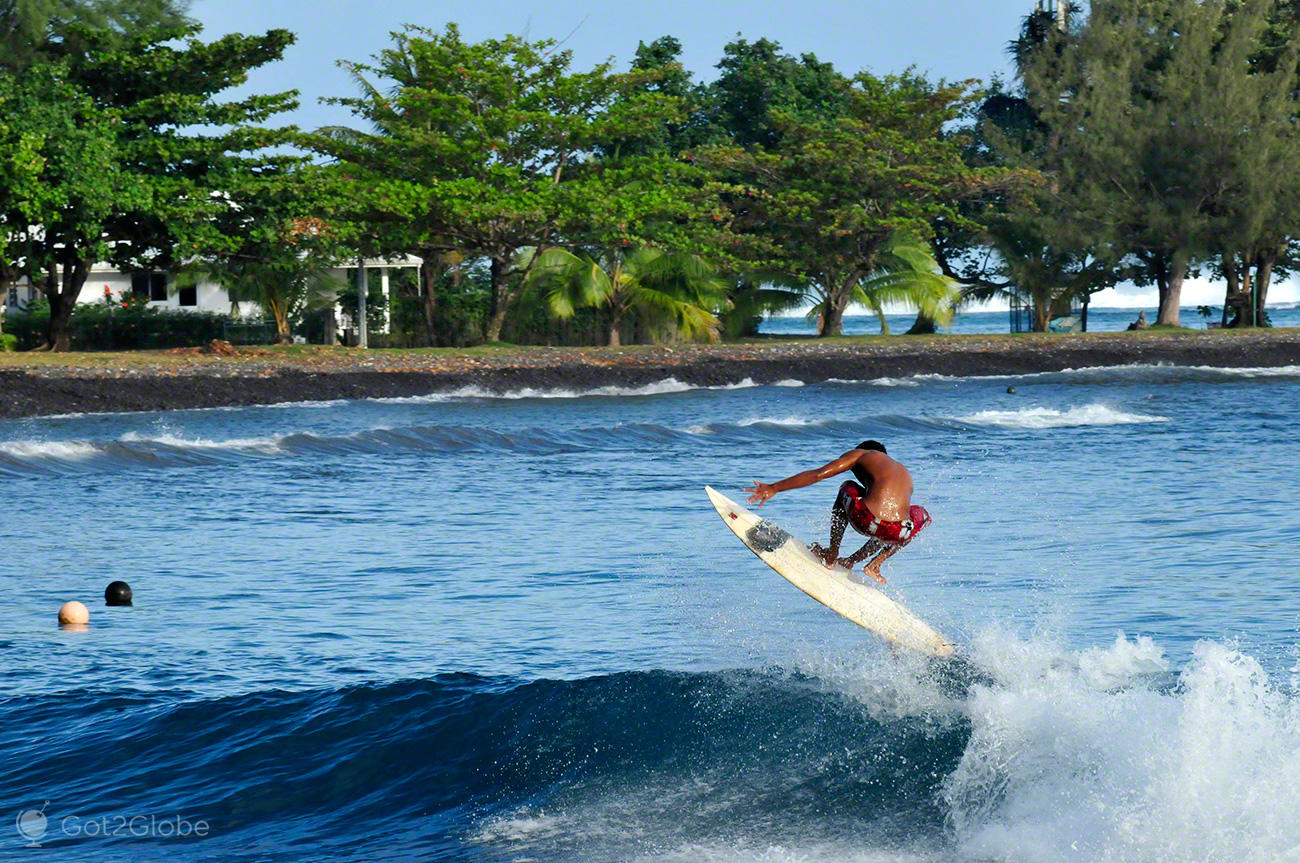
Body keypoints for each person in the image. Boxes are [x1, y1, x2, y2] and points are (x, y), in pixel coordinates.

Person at [745, 441, 931, 585]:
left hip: (867, 520)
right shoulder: (903, 472)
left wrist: (775, 488)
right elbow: (887, 521)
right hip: (898, 533)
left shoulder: (862, 454)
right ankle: (871, 564)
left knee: (847, 487)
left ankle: (831, 555)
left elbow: (818, 474)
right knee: (919, 516)